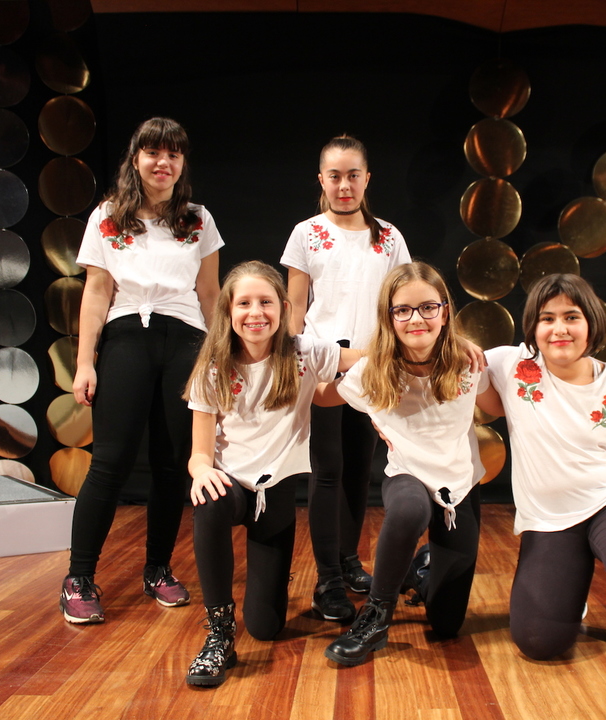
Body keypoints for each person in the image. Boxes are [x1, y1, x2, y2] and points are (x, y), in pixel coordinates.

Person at [59, 117, 223, 624]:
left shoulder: (198, 219)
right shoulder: (108, 216)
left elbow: (211, 294)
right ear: (136, 159)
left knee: (173, 465)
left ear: (182, 163)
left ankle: (158, 568)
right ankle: (79, 577)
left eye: (173, 154)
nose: (163, 162)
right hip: (127, 335)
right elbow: (96, 292)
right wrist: (85, 362)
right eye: (153, 152)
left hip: (187, 340)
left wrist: (220, 356)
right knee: (110, 461)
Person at [476, 273, 606, 659]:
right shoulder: (510, 364)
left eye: (571, 317)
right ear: (533, 327)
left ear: (591, 324)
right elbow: (454, 365)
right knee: (539, 643)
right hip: (549, 520)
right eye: (547, 318)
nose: (559, 329)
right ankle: (573, 584)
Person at [182, 261, 361, 687]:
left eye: (265, 302)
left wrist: (445, 344)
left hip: (275, 494)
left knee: (266, 627)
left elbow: (369, 359)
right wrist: (201, 471)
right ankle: (219, 632)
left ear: (283, 307)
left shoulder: (304, 351)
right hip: (229, 486)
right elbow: (199, 454)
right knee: (209, 503)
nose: (255, 312)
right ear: (228, 311)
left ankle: (269, 590)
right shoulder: (213, 366)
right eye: (243, 303)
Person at [315, 261, 486, 667]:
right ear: (389, 317)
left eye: (428, 308)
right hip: (407, 476)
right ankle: (376, 616)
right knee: (408, 509)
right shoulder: (373, 370)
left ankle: (418, 569)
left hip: (459, 485)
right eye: (403, 310)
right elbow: (321, 396)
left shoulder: (471, 362)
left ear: (444, 312)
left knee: (446, 624)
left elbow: (510, 397)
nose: (416, 319)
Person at [280, 135, 412, 622]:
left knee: (360, 467)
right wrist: (293, 362)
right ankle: (327, 581)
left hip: (372, 365)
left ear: (366, 178)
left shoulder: (389, 237)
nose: (344, 185)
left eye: (353, 175)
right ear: (321, 180)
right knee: (328, 469)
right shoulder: (307, 233)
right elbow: (295, 308)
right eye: (334, 176)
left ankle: (349, 560)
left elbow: (403, 297)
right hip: (322, 362)